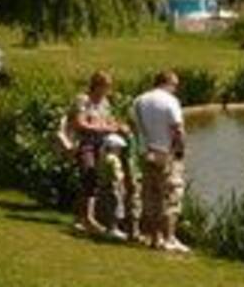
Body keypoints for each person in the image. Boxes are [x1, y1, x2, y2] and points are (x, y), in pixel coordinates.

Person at [59, 72, 131, 240]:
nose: (108, 90)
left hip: (101, 144)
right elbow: (79, 123)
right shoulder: (83, 100)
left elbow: (108, 120)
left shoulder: (104, 102)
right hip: (85, 143)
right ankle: (88, 219)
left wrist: (118, 126)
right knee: (88, 175)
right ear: (97, 86)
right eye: (106, 86)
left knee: (94, 179)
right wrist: (104, 128)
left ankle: (82, 218)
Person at [133, 70, 189, 253]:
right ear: (168, 83)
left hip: (145, 153)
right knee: (171, 197)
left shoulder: (139, 100)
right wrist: (180, 151)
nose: (176, 89)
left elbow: (134, 127)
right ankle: (169, 238)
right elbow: (178, 130)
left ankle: (154, 238)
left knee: (151, 197)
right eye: (175, 85)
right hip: (165, 154)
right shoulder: (170, 101)